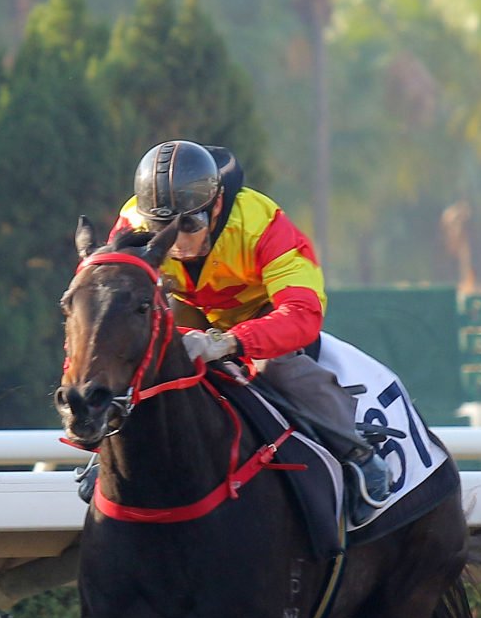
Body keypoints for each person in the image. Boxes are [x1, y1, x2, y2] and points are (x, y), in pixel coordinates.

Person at [111, 139, 391, 522]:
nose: (176, 243)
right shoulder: (132, 224)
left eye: (188, 224)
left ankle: (358, 456)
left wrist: (229, 341)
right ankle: (110, 455)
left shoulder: (262, 224)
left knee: (275, 368)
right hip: (191, 308)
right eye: (162, 229)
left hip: (263, 314)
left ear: (217, 206)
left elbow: (303, 314)